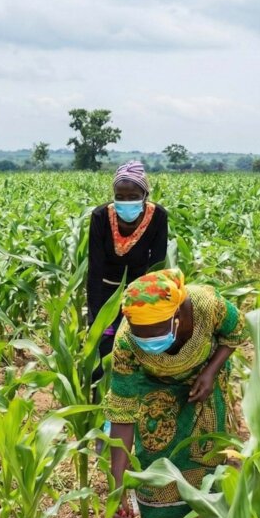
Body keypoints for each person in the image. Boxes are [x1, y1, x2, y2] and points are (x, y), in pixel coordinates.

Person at [105, 268, 246, 518]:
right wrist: (117, 485)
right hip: (155, 397)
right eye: (140, 336)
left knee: (202, 464)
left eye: (155, 333)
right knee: (155, 466)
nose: (148, 342)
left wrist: (210, 372)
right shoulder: (127, 344)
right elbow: (122, 412)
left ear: (177, 316)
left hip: (203, 391)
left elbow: (235, 333)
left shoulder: (209, 305)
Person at [87, 160, 169, 380]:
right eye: (120, 196)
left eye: (133, 196)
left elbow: (157, 266)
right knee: (102, 353)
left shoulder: (158, 217)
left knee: (137, 352)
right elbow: (95, 269)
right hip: (105, 292)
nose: (126, 201)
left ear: (144, 194)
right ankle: (99, 401)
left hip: (139, 292)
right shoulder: (101, 217)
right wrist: (96, 317)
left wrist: (153, 308)